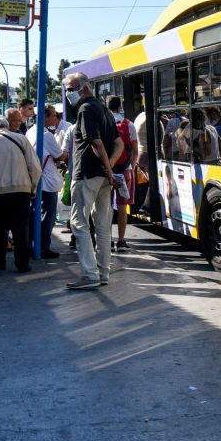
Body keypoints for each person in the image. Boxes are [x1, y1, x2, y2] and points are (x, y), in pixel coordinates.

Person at [62, 72, 123, 289]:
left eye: (70, 88)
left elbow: (96, 144)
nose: (68, 93)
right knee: (103, 225)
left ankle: (90, 274)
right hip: (102, 178)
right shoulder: (104, 109)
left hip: (86, 174)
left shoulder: (85, 109)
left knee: (79, 223)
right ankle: (102, 272)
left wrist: (108, 169)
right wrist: (110, 170)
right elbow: (119, 144)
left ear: (84, 87)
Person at [0, 114, 42, 273]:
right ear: (7, 126)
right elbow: (35, 167)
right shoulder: (21, 139)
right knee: (21, 229)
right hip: (21, 191)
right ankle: (22, 263)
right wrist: (32, 187)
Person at [27, 104, 67, 258]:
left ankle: (33, 243)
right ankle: (44, 246)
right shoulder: (47, 136)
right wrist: (65, 149)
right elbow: (60, 156)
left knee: (35, 214)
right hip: (47, 181)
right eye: (53, 116)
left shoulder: (30, 132)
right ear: (45, 117)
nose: (55, 118)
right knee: (47, 215)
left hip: (34, 181)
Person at [108, 96, 137, 252]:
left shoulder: (104, 123)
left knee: (105, 207)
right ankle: (120, 241)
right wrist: (130, 167)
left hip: (107, 171)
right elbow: (135, 151)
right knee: (121, 207)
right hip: (124, 171)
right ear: (120, 107)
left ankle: (106, 240)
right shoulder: (129, 125)